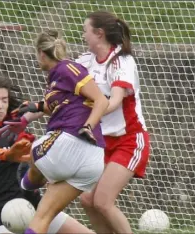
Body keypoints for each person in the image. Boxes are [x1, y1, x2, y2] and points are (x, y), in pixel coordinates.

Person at [0, 29, 109, 234]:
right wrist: (33, 109)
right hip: (92, 163)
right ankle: (31, 181)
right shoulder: (56, 80)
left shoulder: (67, 68)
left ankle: (28, 182)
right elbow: (58, 106)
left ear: (41, 53)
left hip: (73, 141)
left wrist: (88, 126)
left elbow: (101, 100)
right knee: (44, 215)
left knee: (31, 150)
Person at [0, 76, 96, 234]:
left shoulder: (15, 121)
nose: (0, 105)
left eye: (4, 100)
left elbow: (49, 108)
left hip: (33, 204)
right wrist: (5, 154)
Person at [74, 10, 151, 234]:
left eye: (85, 31)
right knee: (88, 199)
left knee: (103, 201)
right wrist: (36, 108)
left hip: (129, 140)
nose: (82, 36)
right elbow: (62, 78)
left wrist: (90, 120)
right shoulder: (86, 61)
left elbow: (116, 100)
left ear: (99, 33)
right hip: (102, 143)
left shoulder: (121, 61)